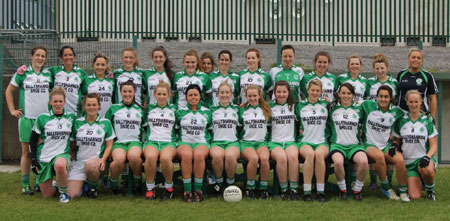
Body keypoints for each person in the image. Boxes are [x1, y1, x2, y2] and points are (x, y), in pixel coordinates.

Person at [5, 46, 53, 195]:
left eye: (43, 56)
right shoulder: (23, 72)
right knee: (26, 152)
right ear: (31, 56)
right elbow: (9, 91)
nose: (40, 58)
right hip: (27, 119)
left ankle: (39, 181)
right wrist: (13, 110)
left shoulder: (48, 74)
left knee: (41, 152)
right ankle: (25, 184)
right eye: (38, 55)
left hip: (43, 120)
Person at [361, 85, 410, 202]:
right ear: (377, 97)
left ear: (390, 98)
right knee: (379, 157)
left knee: (400, 161)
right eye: (381, 96)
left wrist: (426, 115)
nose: (383, 99)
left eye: (386, 97)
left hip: (386, 145)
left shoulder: (396, 111)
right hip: (369, 144)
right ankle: (386, 187)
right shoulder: (367, 105)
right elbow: (349, 102)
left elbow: (411, 114)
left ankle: (403, 192)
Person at [29, 88, 76, 203]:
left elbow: (74, 140)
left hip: (61, 153)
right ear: (50, 102)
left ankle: (64, 193)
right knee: (47, 195)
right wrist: (33, 159)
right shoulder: (42, 118)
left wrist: (73, 157)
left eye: (60, 101)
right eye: (55, 101)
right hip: (44, 156)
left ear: (65, 102)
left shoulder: (71, 117)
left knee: (60, 165)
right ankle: (58, 185)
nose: (58, 104)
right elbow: (33, 140)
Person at [67, 93, 115, 199]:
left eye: (94, 105)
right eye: (88, 105)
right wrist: (72, 158)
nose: (91, 107)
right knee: (72, 194)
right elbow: (72, 144)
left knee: (90, 166)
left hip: (97, 165)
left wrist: (103, 160)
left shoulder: (105, 123)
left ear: (99, 106)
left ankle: (92, 188)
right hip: (79, 165)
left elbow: (109, 145)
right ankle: (83, 184)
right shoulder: (77, 123)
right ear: (84, 106)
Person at [393, 90, 438, 201]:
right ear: (407, 102)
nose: (413, 104)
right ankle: (419, 179)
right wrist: (394, 145)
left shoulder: (427, 120)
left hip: (423, 159)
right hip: (408, 163)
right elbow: (397, 140)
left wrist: (427, 157)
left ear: (421, 102)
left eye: (416, 102)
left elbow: (433, 145)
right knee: (414, 196)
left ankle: (430, 190)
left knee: (427, 170)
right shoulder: (401, 121)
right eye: (411, 102)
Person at [105, 80, 146, 196]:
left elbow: (146, 129)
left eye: (130, 91)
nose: (127, 94)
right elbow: (106, 129)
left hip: (135, 142)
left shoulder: (140, 110)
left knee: (134, 157)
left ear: (134, 93)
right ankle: (114, 185)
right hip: (118, 143)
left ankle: (137, 184)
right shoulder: (113, 109)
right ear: (120, 92)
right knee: (118, 160)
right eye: (124, 91)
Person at [329, 83, 368, 201]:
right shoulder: (331, 108)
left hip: (354, 145)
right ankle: (343, 190)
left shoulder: (359, 109)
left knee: (364, 162)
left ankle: (357, 190)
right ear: (339, 94)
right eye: (343, 93)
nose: (346, 96)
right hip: (337, 145)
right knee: (338, 162)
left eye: (349, 93)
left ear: (353, 95)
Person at [365, 53, 398, 190]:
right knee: (374, 148)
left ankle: (388, 180)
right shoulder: (370, 82)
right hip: (374, 119)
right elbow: (365, 100)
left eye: (382, 68)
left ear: (387, 68)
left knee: (390, 151)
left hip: (388, 120)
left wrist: (393, 129)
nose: (380, 71)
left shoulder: (394, 82)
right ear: (374, 69)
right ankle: (373, 180)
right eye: (377, 68)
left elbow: (396, 103)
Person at [176, 84, 212, 202]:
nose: (193, 97)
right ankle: (187, 190)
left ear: (200, 96)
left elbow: (210, 129)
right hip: (184, 142)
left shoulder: (207, 112)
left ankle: (198, 189)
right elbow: (176, 129)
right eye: (190, 95)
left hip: (201, 142)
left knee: (198, 155)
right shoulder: (180, 112)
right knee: (187, 155)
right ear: (186, 97)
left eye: (195, 95)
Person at [296, 79, 330, 202]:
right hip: (305, 141)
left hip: (322, 141)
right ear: (308, 90)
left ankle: (321, 192)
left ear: (321, 92)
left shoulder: (326, 105)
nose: (315, 93)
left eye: (317, 90)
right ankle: (307, 192)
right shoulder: (300, 105)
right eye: (312, 90)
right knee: (310, 155)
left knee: (319, 155)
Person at [143, 81, 177, 200]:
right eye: (159, 94)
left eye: (164, 94)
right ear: (155, 94)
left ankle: (169, 187)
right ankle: (150, 188)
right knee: (151, 157)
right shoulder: (148, 109)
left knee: (165, 158)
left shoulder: (174, 110)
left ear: (168, 95)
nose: (162, 96)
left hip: (168, 142)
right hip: (151, 141)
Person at [268, 81, 299, 200]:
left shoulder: (294, 106)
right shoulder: (269, 106)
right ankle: (284, 189)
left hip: (290, 141)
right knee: (281, 158)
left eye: (284, 92)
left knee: (292, 157)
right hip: (275, 142)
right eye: (278, 92)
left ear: (288, 93)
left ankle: (294, 190)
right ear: (274, 93)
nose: (281, 94)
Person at [239, 85, 271, 199]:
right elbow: (238, 127)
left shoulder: (266, 108)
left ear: (259, 96)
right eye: (249, 96)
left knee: (264, 159)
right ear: (246, 96)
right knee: (253, 159)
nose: (252, 98)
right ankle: (250, 187)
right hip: (246, 143)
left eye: (254, 96)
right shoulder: (242, 109)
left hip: (261, 142)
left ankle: (263, 188)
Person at [209, 81, 241, 193]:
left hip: (232, 142)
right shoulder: (211, 110)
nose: (224, 95)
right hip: (216, 142)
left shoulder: (237, 109)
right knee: (217, 157)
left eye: (227, 92)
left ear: (231, 94)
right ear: (217, 94)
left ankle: (230, 184)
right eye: (222, 92)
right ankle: (219, 183)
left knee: (230, 157)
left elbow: (241, 126)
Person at [397, 48, 438, 119]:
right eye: (413, 57)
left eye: (419, 58)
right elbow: (396, 95)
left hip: (422, 114)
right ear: (408, 59)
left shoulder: (427, 76)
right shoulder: (401, 74)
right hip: (402, 115)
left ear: (422, 61)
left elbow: (433, 98)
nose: (416, 60)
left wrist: (432, 116)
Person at [49, 46, 87, 114]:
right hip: (57, 113)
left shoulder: (81, 73)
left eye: (70, 55)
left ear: (73, 56)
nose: (68, 57)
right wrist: (24, 69)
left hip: (75, 113)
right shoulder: (54, 71)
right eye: (65, 55)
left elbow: (87, 90)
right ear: (61, 58)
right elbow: (38, 71)